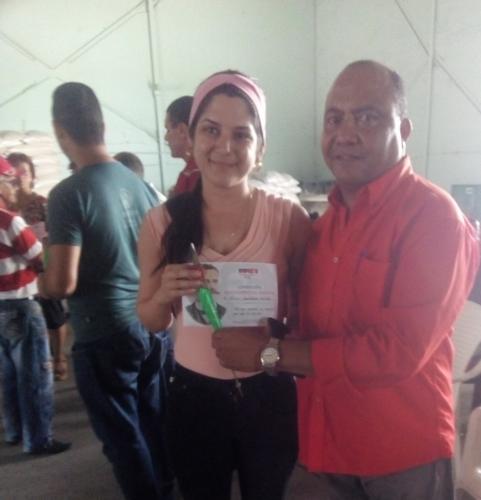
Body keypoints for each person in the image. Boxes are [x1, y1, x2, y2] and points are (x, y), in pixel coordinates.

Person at [212, 60, 480, 500]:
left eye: (368, 117)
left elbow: (397, 351)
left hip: (400, 453)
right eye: (334, 119)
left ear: (404, 129)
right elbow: (310, 329)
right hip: (324, 446)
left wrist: (267, 353)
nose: (345, 134)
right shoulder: (322, 227)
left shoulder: (432, 217)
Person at [137, 71, 311, 500]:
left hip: (268, 389)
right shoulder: (162, 221)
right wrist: (164, 293)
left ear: (261, 148)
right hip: (193, 394)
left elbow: (308, 311)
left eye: (241, 134)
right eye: (211, 130)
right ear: (192, 137)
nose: (225, 147)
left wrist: (274, 345)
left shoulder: (287, 218)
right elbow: (152, 319)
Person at [38, 82, 173, 500]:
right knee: (153, 422)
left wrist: (38, 279)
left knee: (122, 438)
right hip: (150, 324)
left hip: (104, 329)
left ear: (60, 131)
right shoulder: (138, 183)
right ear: (102, 126)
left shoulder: (67, 194)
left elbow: (62, 282)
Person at [0, 179, 70, 454]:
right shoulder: (9, 221)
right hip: (19, 303)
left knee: (7, 375)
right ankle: (38, 439)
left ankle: (14, 430)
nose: (13, 186)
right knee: (33, 375)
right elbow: (40, 258)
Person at [7, 152, 70, 381]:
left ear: (32, 176)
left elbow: (53, 239)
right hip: (16, 275)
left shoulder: (42, 204)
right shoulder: (6, 209)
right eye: (13, 172)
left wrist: (48, 269)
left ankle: (59, 356)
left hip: (43, 267)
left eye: (23, 172)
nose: (18, 177)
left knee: (54, 316)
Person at [164, 95, 200, 195]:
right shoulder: (208, 169)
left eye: (168, 130)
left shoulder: (192, 175)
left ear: (182, 131)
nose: (166, 138)